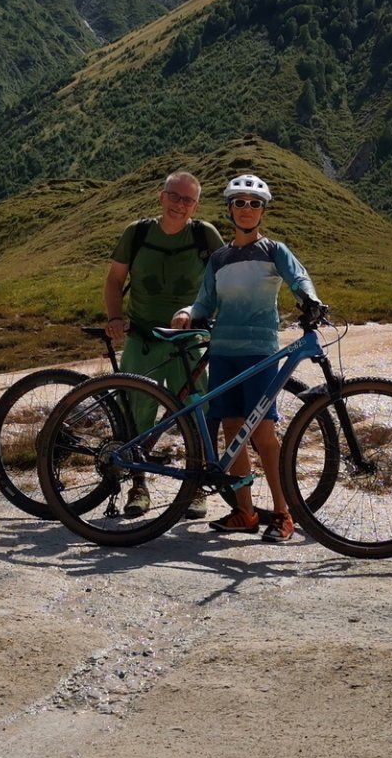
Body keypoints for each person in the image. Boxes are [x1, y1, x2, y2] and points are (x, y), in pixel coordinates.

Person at [170, 173, 322, 545]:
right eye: (239, 203)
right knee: (232, 431)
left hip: (260, 352)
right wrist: (188, 312)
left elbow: (298, 278)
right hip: (223, 352)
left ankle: (283, 513)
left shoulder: (274, 250)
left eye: (254, 204)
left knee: (264, 434)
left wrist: (310, 299)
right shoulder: (219, 258)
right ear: (230, 209)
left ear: (262, 211)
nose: (247, 209)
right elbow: (205, 301)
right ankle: (245, 512)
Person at [105, 171, 224, 517]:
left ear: (196, 206)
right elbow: (114, 280)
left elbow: (226, 278)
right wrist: (115, 317)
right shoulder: (138, 233)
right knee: (135, 413)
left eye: (188, 200)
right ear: (161, 197)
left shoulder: (204, 235)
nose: (179, 205)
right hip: (143, 338)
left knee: (198, 411)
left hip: (190, 339)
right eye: (174, 196)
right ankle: (138, 486)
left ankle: (196, 487)